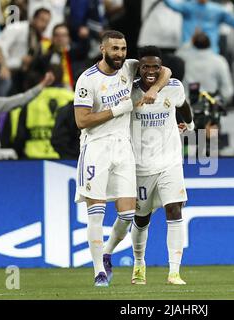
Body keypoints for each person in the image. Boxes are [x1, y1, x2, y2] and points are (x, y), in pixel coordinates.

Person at [73, 30, 172, 287]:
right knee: (96, 213)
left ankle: (106, 252)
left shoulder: (129, 68)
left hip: (123, 148)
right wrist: (119, 109)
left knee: (128, 214)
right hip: (96, 148)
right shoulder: (87, 79)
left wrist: (155, 90)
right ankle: (99, 272)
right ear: (102, 49)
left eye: (123, 48)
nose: (120, 54)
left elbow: (166, 71)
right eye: (115, 49)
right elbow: (81, 120)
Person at [126, 46, 194, 285]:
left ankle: (174, 271)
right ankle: (138, 263)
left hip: (170, 161)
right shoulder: (129, 91)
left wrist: (190, 123)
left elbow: (183, 104)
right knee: (142, 218)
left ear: (161, 67)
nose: (151, 71)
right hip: (140, 166)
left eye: (156, 66)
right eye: (146, 66)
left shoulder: (173, 86)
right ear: (139, 68)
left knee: (174, 210)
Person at [163, 0, 234, 54]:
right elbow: (172, 5)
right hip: (189, 51)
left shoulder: (218, 10)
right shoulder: (189, 7)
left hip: (209, 52)